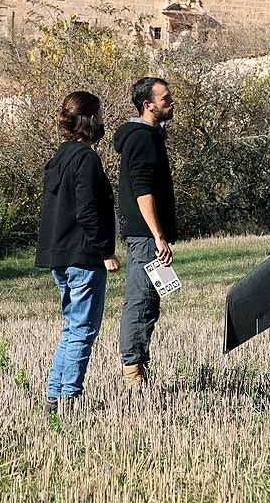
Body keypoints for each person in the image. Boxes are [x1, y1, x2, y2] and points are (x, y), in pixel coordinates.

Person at [37, 91, 120, 413]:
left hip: (59, 255)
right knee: (83, 329)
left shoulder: (57, 158)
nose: (102, 121)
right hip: (83, 256)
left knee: (72, 327)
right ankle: (69, 399)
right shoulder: (85, 159)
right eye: (98, 115)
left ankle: (54, 397)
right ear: (88, 120)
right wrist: (105, 251)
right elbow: (87, 212)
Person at [113, 76, 178, 391]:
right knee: (139, 300)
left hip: (150, 236)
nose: (171, 101)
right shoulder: (141, 138)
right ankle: (132, 374)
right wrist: (157, 236)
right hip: (145, 237)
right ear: (148, 104)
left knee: (150, 301)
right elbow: (142, 191)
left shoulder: (152, 136)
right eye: (165, 98)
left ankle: (139, 368)